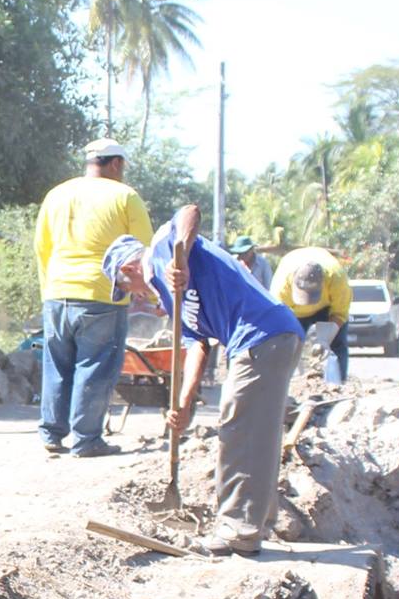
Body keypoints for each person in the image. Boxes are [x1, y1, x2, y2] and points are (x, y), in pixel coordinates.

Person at [105, 207, 303, 555]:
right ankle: (257, 519)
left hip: (261, 333)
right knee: (254, 431)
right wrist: (183, 403)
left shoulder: (164, 249)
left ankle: (238, 529)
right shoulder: (167, 296)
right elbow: (196, 345)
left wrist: (179, 256)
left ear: (128, 269)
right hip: (263, 339)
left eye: (127, 288)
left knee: (240, 431)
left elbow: (190, 211)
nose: (136, 297)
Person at [34, 138, 153, 458]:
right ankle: (87, 440)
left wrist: (50, 291)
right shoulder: (125, 196)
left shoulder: (56, 194)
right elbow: (145, 252)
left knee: (57, 364)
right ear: (115, 164)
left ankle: (52, 433)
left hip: (57, 293)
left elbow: (41, 248)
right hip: (102, 295)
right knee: (96, 366)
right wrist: (145, 293)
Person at [270, 246, 351, 386]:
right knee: (284, 347)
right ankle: (283, 385)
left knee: (337, 344)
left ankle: (338, 385)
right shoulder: (281, 285)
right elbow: (275, 320)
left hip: (325, 308)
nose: (307, 304)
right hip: (293, 312)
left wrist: (324, 339)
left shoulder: (336, 277)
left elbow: (340, 313)